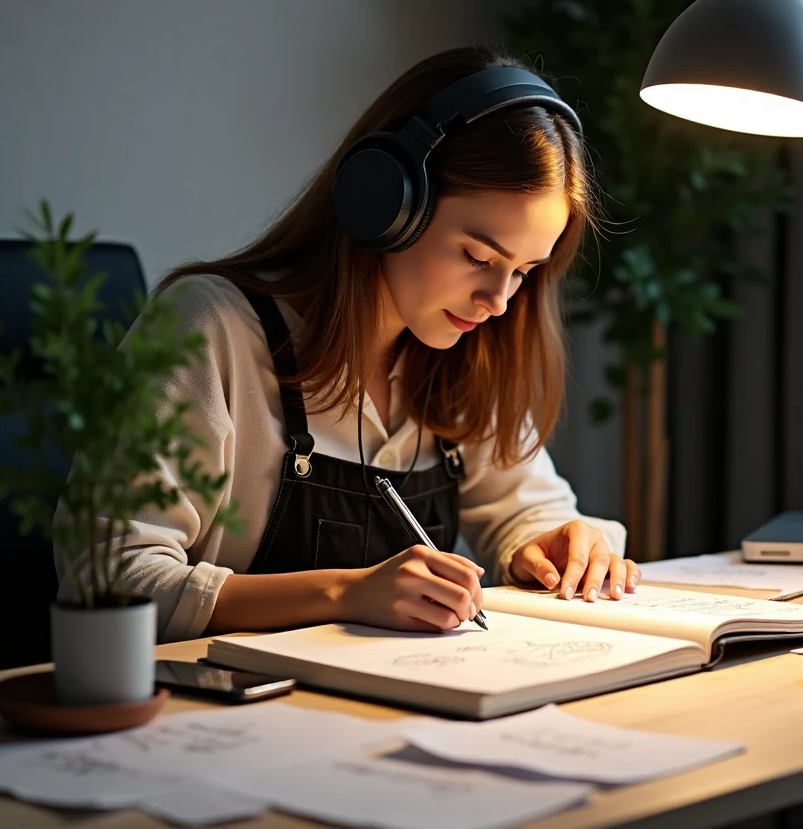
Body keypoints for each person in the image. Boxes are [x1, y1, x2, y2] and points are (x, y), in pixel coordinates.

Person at [60, 45, 639, 643]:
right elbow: (111, 576)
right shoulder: (212, 326)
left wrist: (551, 542)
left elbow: (524, 507)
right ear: (386, 203)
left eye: (523, 271)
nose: (498, 301)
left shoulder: (470, 349)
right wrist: (347, 593)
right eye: (477, 256)